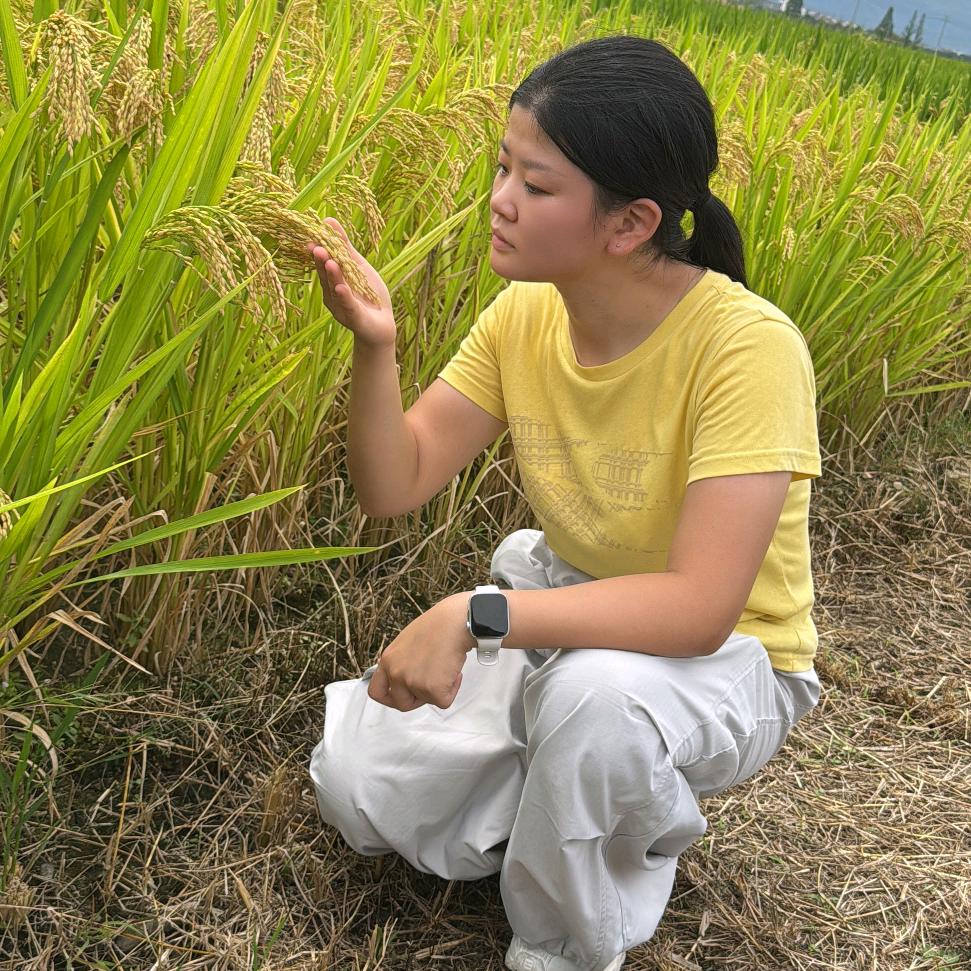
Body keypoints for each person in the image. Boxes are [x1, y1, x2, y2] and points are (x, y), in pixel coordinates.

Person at [306, 34, 823, 971]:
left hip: (725, 661)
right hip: (572, 613)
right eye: (504, 167)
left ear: (629, 224)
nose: (499, 201)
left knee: (595, 703)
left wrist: (477, 613)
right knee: (357, 788)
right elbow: (395, 483)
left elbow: (699, 609)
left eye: (536, 186)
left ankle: (564, 941)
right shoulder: (525, 314)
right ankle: (576, 804)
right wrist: (373, 348)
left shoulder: (747, 348)